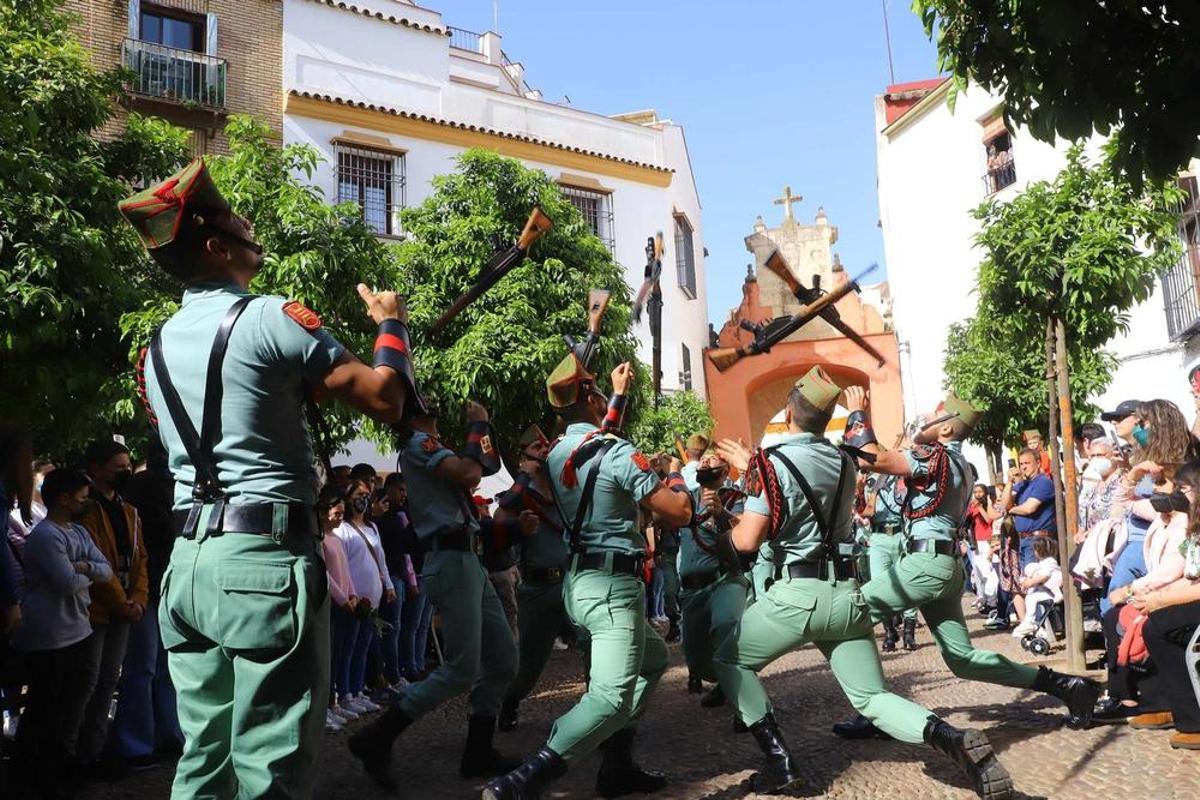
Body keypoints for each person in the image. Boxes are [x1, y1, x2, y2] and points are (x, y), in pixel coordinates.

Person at [120, 157, 409, 798]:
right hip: (264, 563)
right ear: (219, 247)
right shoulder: (272, 317)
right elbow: (387, 400)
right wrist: (392, 324)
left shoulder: (156, 345)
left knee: (204, 760)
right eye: (234, 217)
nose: (249, 221)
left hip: (190, 566)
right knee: (269, 767)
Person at [709, 370, 1013, 799]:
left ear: (788, 412)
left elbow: (745, 541)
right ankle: (952, 739)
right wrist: (758, 468)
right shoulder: (843, 461)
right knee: (871, 698)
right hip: (846, 596)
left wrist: (722, 513)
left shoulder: (770, 463)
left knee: (729, 661)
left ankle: (780, 762)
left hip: (797, 596)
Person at [833, 388, 1100, 741]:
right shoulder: (960, 463)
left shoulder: (932, 456)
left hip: (925, 563)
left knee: (850, 615)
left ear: (945, 430)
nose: (924, 421)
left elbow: (872, 460)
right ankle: (1066, 685)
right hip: (944, 565)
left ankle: (878, 710)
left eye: (932, 417)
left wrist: (855, 414)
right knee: (962, 659)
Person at [483, 355, 692, 800]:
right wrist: (675, 477)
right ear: (591, 398)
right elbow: (679, 513)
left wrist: (617, 394)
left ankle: (616, 766)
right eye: (597, 392)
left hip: (581, 583)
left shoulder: (557, 451)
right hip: (614, 587)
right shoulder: (613, 451)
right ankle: (522, 782)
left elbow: (600, 441)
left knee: (653, 660)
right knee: (610, 696)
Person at [349, 395, 520, 790]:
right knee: (461, 668)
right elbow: (468, 473)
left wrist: (484, 430)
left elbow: (485, 465)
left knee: (502, 658)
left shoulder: (433, 446)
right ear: (416, 415)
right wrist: (478, 426)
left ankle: (478, 750)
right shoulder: (417, 443)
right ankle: (376, 737)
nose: (435, 406)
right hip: (450, 559)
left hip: (469, 561)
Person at [10, 469, 114, 796]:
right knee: (44, 707)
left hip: (77, 632)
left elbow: (104, 569)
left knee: (68, 704)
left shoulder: (79, 532)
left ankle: (55, 767)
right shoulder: (45, 537)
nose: (86, 502)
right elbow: (64, 582)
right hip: (49, 637)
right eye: (82, 497)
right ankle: (28, 774)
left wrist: (81, 568)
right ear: (64, 499)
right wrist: (84, 571)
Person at [73, 438, 149, 775]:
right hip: (95, 608)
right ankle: (71, 754)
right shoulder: (85, 511)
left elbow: (141, 559)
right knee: (85, 682)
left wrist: (139, 599)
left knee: (108, 681)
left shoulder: (130, 510)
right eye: (119, 467)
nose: (126, 472)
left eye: (127, 466)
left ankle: (94, 752)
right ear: (96, 470)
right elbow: (95, 561)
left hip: (125, 605)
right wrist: (120, 602)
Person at [107, 441, 183, 768]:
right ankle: (134, 744)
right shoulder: (148, 486)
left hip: (164, 583)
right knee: (144, 666)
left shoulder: (174, 484)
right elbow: (158, 535)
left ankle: (165, 735)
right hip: (146, 586)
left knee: (165, 667)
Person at [497, 425, 569, 733]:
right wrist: (525, 475)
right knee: (529, 663)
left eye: (546, 449)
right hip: (538, 587)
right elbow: (500, 521)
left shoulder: (566, 490)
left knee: (594, 644)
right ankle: (510, 700)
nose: (544, 453)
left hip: (571, 582)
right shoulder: (520, 495)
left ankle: (602, 712)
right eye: (537, 450)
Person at [677, 451, 748, 710]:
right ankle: (723, 681)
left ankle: (745, 703)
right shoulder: (683, 499)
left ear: (726, 470)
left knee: (726, 623)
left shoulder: (735, 498)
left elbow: (745, 530)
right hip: (691, 587)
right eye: (704, 458)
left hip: (724, 579)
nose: (706, 461)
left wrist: (722, 513)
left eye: (714, 459)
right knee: (697, 661)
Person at [335, 478, 394, 715]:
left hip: (374, 598)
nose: (364, 498)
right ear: (348, 498)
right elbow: (344, 566)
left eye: (367, 494)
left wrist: (388, 585)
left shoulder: (372, 527)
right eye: (359, 494)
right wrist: (351, 594)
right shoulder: (343, 529)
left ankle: (358, 690)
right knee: (347, 647)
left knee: (364, 647)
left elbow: (381, 561)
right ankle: (345, 693)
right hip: (354, 599)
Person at [994, 448, 1056, 624]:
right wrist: (1008, 483)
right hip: (1022, 539)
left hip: (1039, 539)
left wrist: (1010, 509)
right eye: (1021, 464)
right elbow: (1001, 505)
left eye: (1027, 463)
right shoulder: (1022, 485)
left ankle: (1043, 624)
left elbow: (1029, 508)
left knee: (1036, 582)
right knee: (1023, 581)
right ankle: (1029, 623)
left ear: (1038, 462)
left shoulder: (1043, 482)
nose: (1023, 467)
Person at [864, 468, 920, 652]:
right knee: (879, 585)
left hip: (902, 533)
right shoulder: (869, 481)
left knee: (908, 583)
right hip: (879, 536)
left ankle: (909, 633)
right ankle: (889, 631)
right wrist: (858, 491)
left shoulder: (903, 476)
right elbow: (864, 511)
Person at [318, 486, 357, 733]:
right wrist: (343, 598)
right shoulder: (320, 540)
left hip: (344, 606)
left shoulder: (337, 539)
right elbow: (326, 576)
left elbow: (346, 572)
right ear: (323, 512)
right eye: (336, 512)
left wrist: (352, 594)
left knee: (341, 654)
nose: (340, 516)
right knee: (327, 658)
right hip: (331, 606)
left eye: (343, 512)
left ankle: (335, 702)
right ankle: (323, 710)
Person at [376, 472, 418, 692]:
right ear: (390, 488)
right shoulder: (379, 517)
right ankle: (392, 674)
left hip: (400, 576)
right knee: (392, 628)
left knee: (404, 627)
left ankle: (403, 669)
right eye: (400, 490)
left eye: (406, 491)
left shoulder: (402, 515)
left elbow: (407, 552)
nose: (404, 495)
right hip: (388, 577)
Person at [1012, 538, 1063, 637]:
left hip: (1052, 591)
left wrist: (1030, 582)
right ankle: (1029, 622)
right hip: (1046, 590)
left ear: (1038, 551)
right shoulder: (1042, 563)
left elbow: (1044, 576)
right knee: (1031, 595)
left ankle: (1029, 622)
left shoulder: (1050, 561)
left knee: (1032, 597)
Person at [965, 483, 999, 615]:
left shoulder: (987, 505)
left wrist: (980, 507)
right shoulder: (972, 506)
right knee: (979, 573)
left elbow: (989, 520)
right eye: (975, 492)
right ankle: (985, 599)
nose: (977, 494)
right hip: (976, 541)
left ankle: (992, 601)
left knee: (988, 572)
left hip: (987, 540)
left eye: (980, 492)